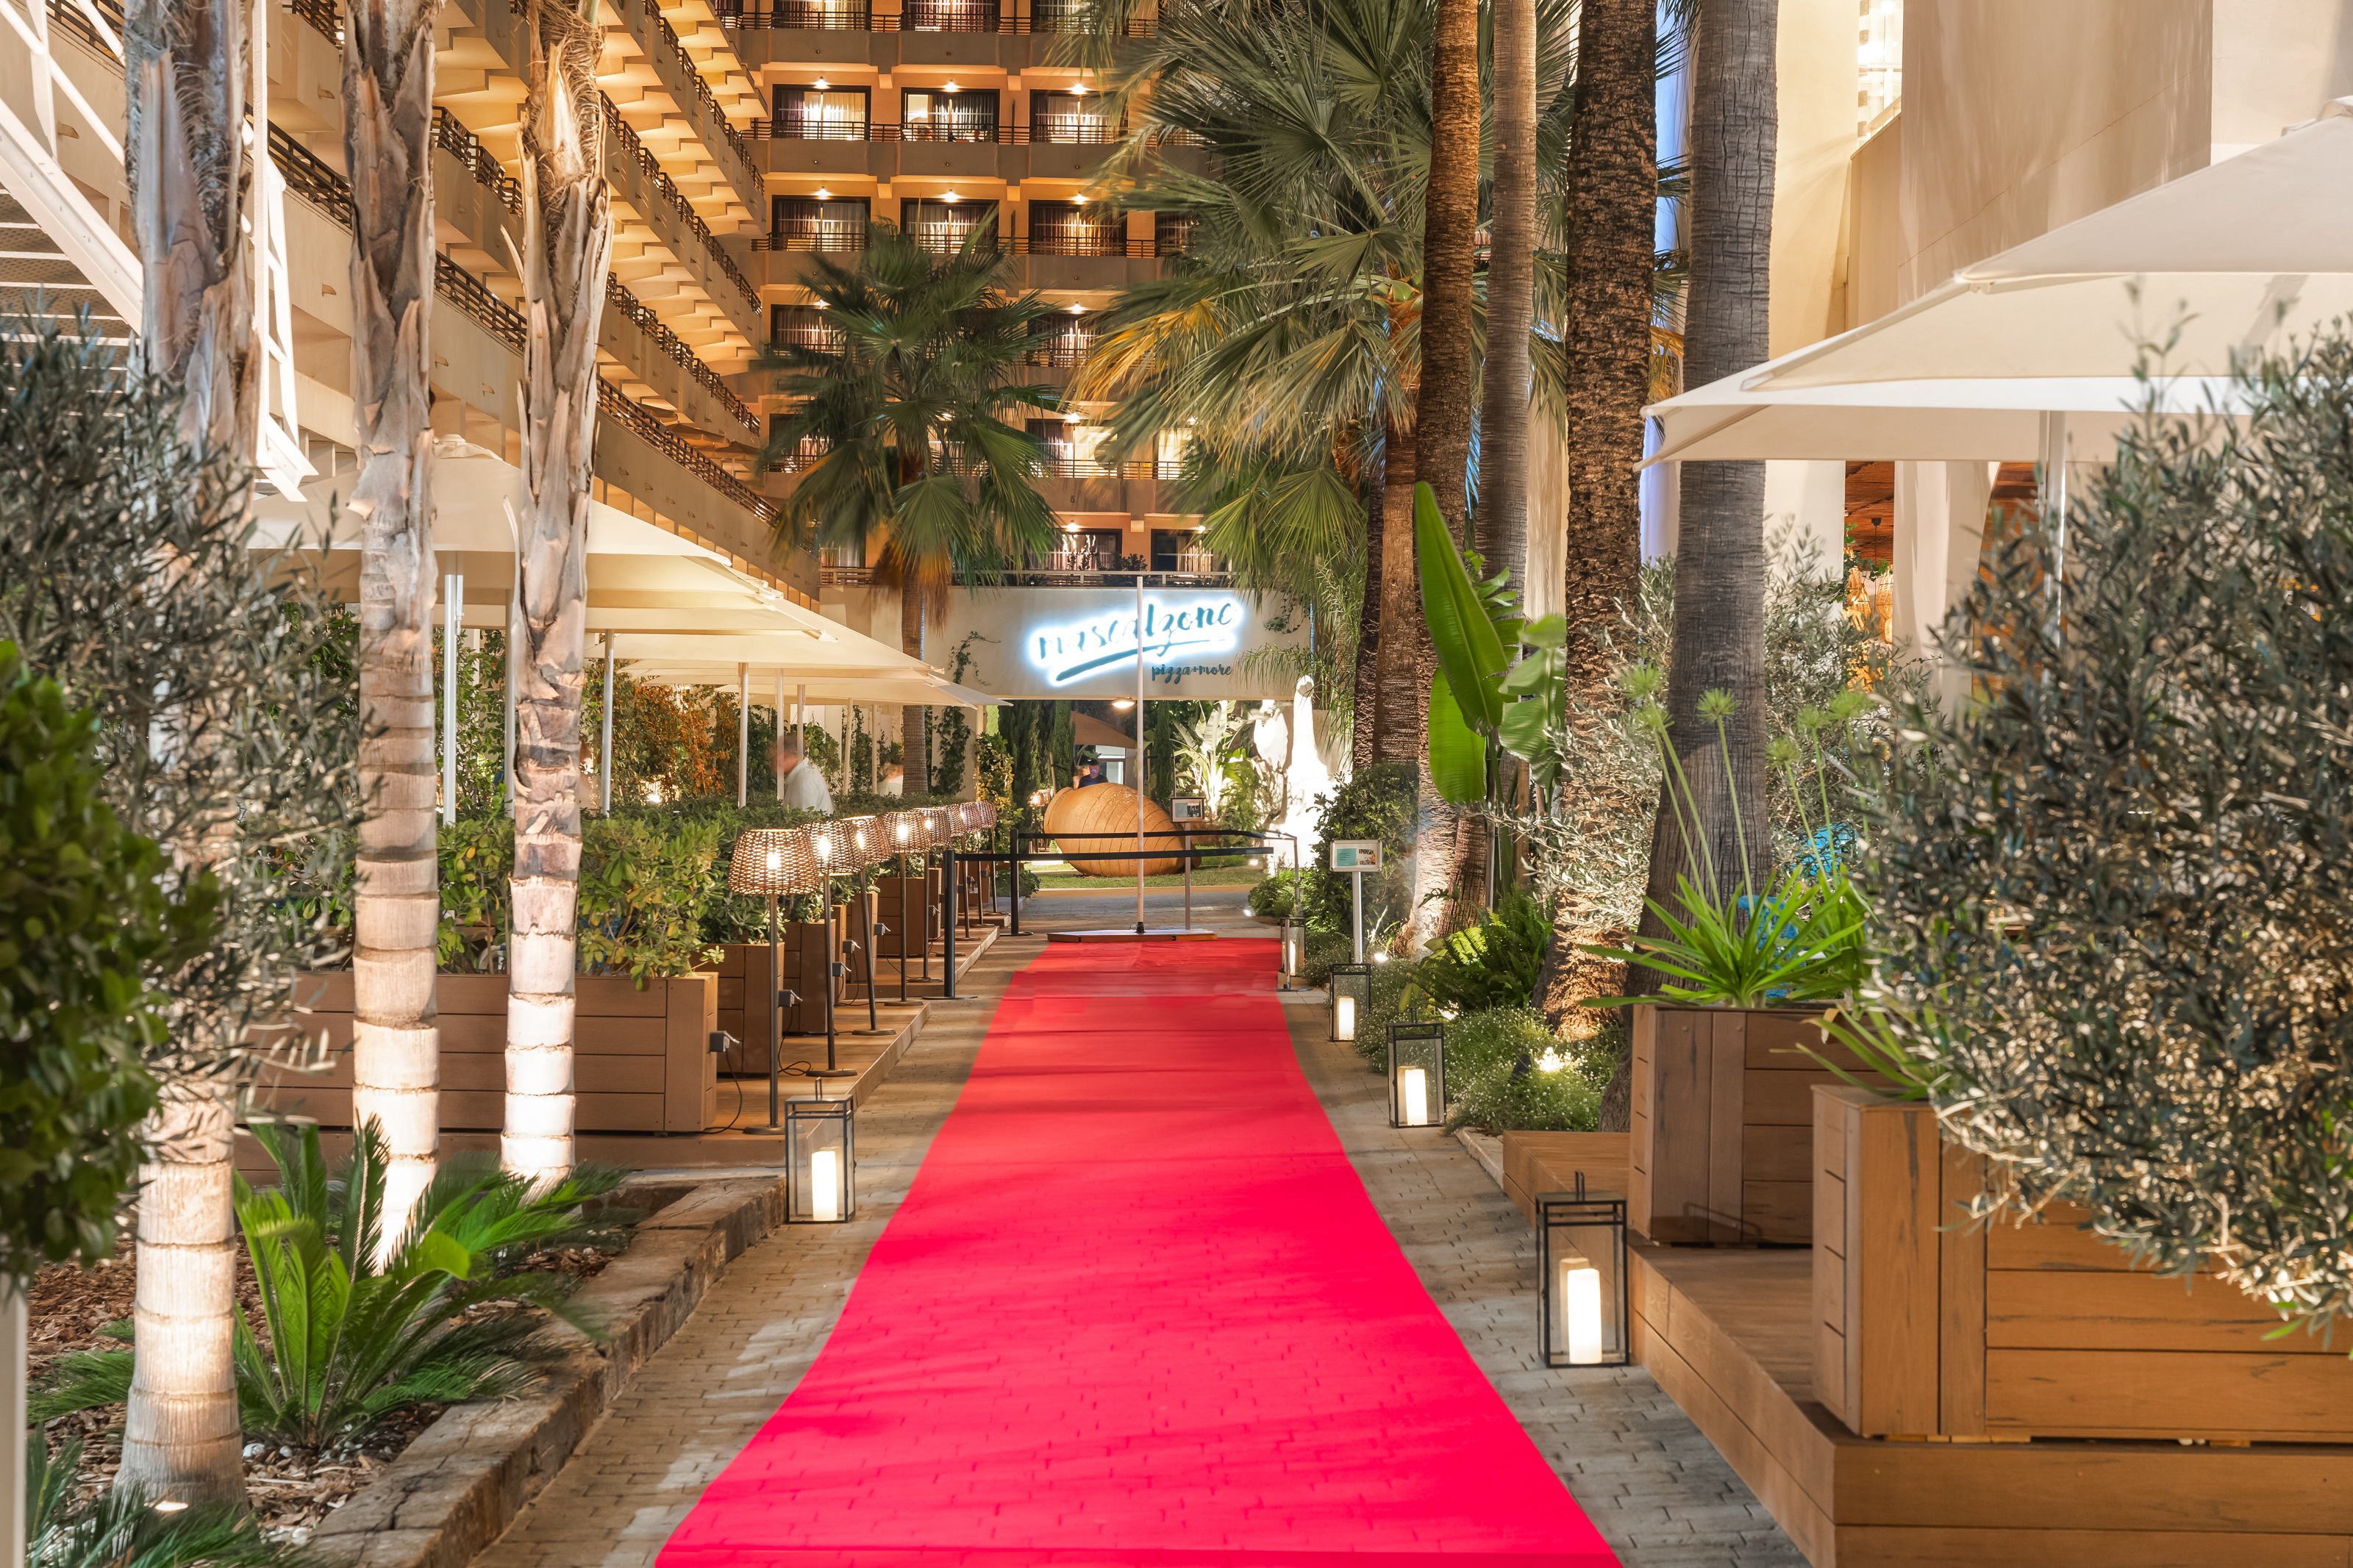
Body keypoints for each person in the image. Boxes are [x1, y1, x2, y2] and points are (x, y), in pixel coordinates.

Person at [775, 734, 833, 812]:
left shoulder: (804, 780)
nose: (777, 759)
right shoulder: (801, 776)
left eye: (781, 755)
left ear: (792, 754)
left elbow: (802, 819)